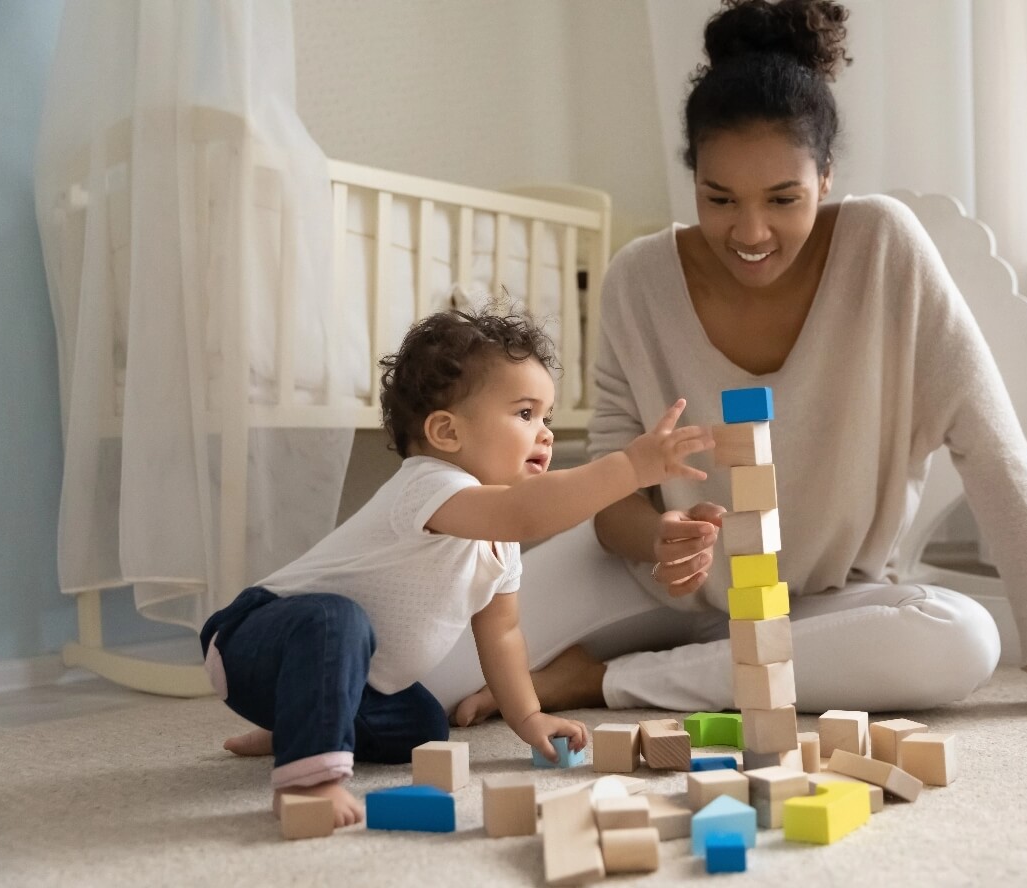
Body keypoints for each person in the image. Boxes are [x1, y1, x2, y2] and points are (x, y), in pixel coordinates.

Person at [429, 0, 1027, 737]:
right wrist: (662, 533)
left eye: (784, 199)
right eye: (719, 199)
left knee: (961, 640)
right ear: (694, 182)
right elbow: (611, 496)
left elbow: (993, 454)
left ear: (826, 179)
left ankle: (609, 683)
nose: (749, 232)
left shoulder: (885, 248)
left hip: (823, 606)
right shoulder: (640, 278)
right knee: (422, 681)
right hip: (654, 589)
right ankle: (669, 667)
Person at [200, 307, 714, 827]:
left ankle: (304, 720)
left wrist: (529, 716)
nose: (546, 434)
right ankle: (309, 782)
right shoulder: (429, 485)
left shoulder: (499, 541)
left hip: (345, 681)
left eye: (548, 418)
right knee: (337, 619)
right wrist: (629, 468)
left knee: (423, 722)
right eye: (524, 414)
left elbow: (503, 634)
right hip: (256, 639)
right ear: (446, 432)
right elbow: (530, 512)